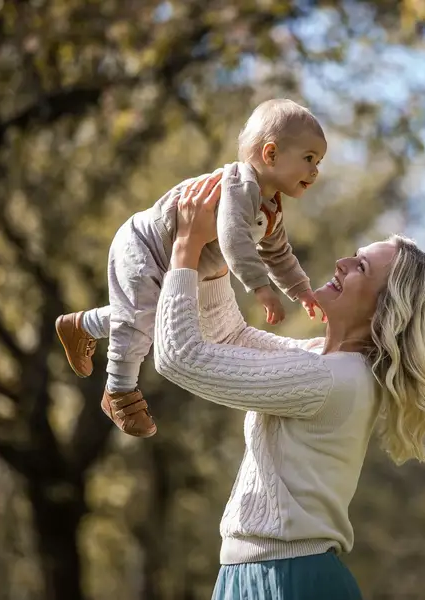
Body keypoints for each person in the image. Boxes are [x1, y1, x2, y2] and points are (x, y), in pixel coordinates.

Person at [154, 173, 425, 599]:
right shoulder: (323, 361)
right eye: (353, 256)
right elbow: (228, 338)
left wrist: (186, 248)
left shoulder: (330, 380)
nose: (342, 264)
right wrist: (221, 249)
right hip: (261, 575)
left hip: (288, 580)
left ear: (384, 310)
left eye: (361, 268)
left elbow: (180, 356)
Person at [54, 99, 327, 438]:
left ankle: (81, 325)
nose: (316, 170)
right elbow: (232, 239)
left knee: (146, 316)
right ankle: (119, 391)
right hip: (146, 245)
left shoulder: (270, 207)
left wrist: (300, 290)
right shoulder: (241, 186)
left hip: (172, 261)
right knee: (140, 318)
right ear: (270, 154)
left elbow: (279, 253)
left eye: (318, 161)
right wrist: (261, 288)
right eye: (309, 159)